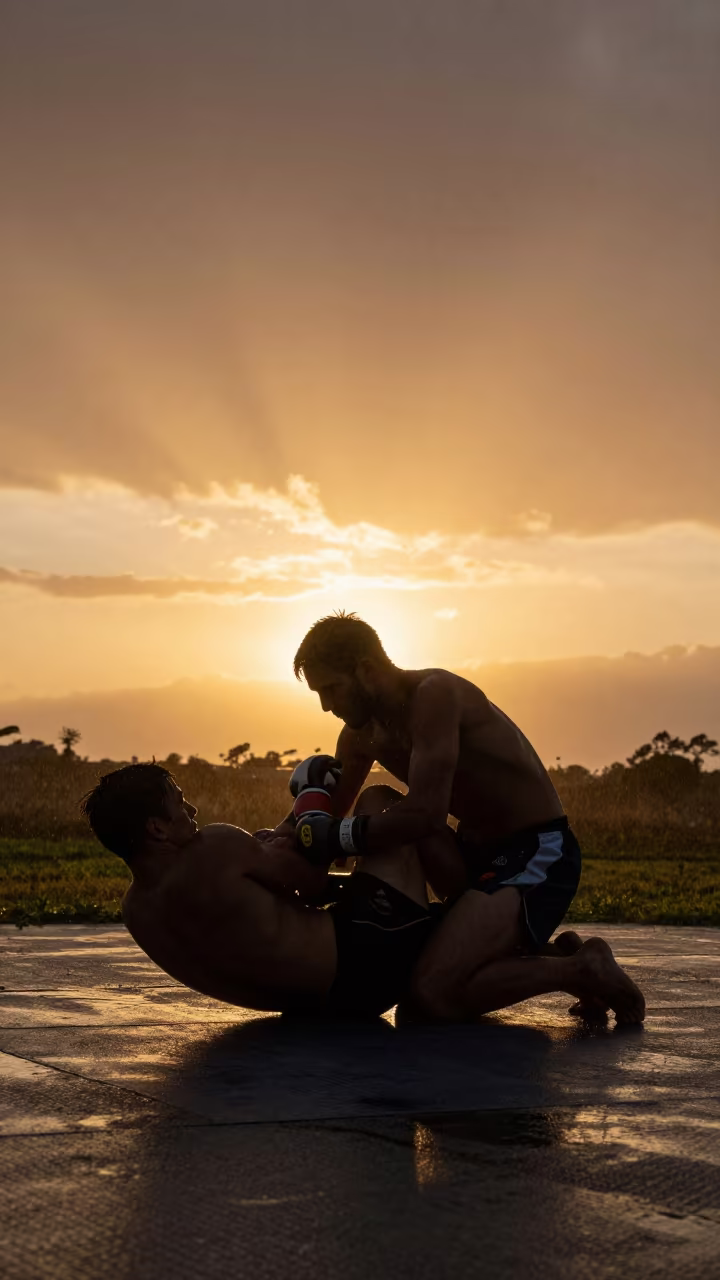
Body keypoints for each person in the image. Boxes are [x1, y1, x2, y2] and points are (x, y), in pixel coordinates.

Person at [290, 611, 645, 1025]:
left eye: (332, 689)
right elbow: (330, 819)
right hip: (470, 855)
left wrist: (338, 838)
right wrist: (289, 828)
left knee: (430, 995)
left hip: (534, 852)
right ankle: (554, 954)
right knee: (376, 798)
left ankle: (580, 969)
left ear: (367, 670)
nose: (326, 706)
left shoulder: (434, 695)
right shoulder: (360, 734)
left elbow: (425, 812)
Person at [80, 762, 440, 1018]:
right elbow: (312, 884)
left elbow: (262, 916)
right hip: (372, 957)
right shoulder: (213, 846)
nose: (192, 809)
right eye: (179, 801)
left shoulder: (136, 912)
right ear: (157, 829)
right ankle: (472, 897)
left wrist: (279, 839)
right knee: (382, 801)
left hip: (314, 1010)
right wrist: (311, 798)